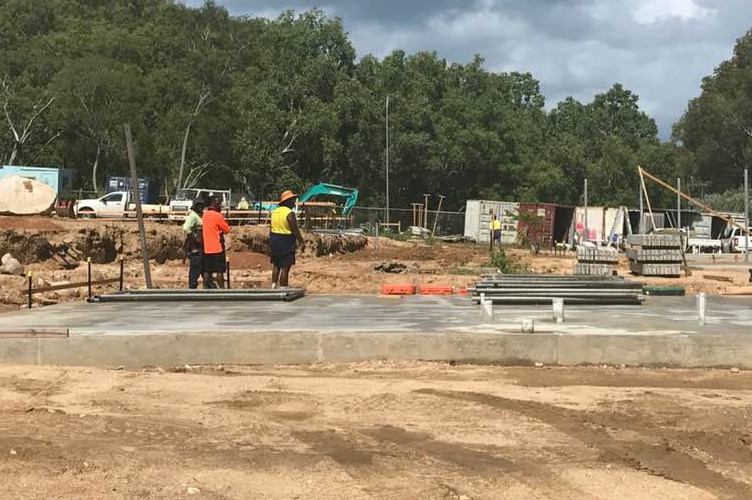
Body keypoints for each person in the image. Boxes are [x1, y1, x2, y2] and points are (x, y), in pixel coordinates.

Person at [269, 190, 305, 288]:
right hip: (286, 240)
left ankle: (273, 285)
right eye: (292, 200)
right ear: (287, 201)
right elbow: (295, 229)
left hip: (274, 238)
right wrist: (301, 241)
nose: (293, 202)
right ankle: (284, 287)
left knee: (276, 264)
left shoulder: (274, 212)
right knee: (285, 266)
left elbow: (271, 226)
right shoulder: (289, 213)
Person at [202, 196, 230, 289]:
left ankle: (205, 287)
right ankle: (222, 289)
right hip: (217, 247)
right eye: (218, 204)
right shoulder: (218, 216)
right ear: (213, 204)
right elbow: (226, 230)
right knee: (219, 270)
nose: (220, 206)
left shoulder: (205, 215)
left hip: (207, 247)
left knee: (207, 270)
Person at [182, 199, 205, 289]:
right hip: (195, 245)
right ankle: (192, 286)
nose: (200, 207)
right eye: (198, 205)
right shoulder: (193, 216)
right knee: (196, 265)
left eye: (201, 205)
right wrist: (195, 237)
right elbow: (186, 228)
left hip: (202, 244)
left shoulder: (201, 215)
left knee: (202, 265)